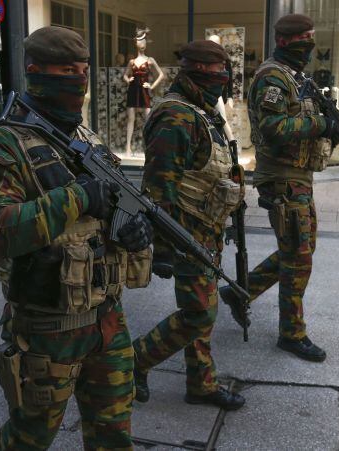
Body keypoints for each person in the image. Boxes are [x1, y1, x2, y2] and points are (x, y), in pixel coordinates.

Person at [0, 26, 154, 450]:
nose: (80, 80)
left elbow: (111, 211)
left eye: (84, 70)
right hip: (47, 329)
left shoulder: (87, 138)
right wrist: (79, 197)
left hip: (108, 320)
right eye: (68, 70)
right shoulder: (0, 145)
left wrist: (130, 230)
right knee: (29, 437)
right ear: (35, 71)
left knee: (114, 435)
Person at [220, 14, 339, 363]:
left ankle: (239, 291)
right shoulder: (272, 76)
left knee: (300, 250)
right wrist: (321, 124)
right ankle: (292, 333)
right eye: (305, 37)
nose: (310, 43)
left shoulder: (295, 76)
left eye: (311, 36)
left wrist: (328, 126)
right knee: (298, 256)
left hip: (299, 176)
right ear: (286, 40)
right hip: (282, 178)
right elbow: (273, 127)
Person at [131, 40, 246, 410]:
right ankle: (136, 361)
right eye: (217, 76)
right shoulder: (176, 116)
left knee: (204, 308)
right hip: (184, 233)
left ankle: (201, 382)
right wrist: (163, 249)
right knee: (198, 313)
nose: (221, 82)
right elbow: (157, 188)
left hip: (204, 228)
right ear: (197, 74)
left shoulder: (202, 111)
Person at [123, 28, 165, 156]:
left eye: (144, 41)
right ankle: (128, 147)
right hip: (133, 90)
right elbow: (125, 75)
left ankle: (149, 146)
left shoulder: (150, 60)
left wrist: (151, 86)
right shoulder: (132, 62)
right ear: (136, 43)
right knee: (131, 118)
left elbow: (161, 75)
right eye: (140, 41)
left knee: (148, 119)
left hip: (144, 91)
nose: (142, 44)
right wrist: (128, 79)